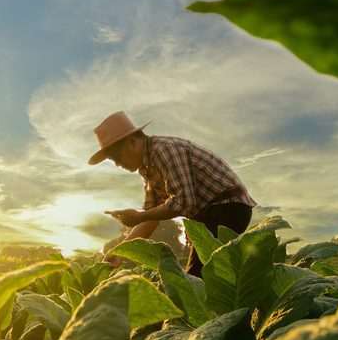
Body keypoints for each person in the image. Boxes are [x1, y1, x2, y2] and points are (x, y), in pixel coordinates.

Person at [89, 111, 256, 276]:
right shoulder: (147, 169)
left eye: (117, 157)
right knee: (208, 277)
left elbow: (183, 203)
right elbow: (150, 218)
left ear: (132, 142)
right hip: (207, 215)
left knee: (197, 278)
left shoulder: (164, 150)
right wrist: (120, 252)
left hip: (228, 207)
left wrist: (139, 217)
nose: (118, 164)